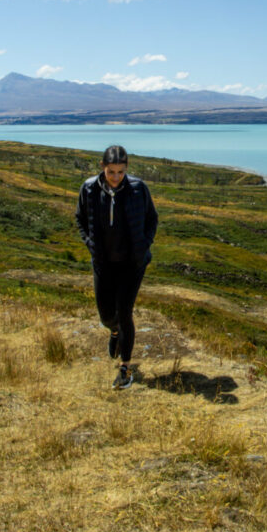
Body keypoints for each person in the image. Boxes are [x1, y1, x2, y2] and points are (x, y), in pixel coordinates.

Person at [75, 145, 158, 389]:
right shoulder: (89, 189)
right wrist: (90, 243)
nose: (115, 177)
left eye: (121, 172)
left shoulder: (137, 188)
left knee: (125, 312)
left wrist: (144, 245)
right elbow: (80, 218)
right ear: (102, 167)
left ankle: (125, 368)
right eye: (111, 171)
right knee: (106, 315)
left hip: (132, 264)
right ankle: (114, 332)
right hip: (103, 262)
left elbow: (152, 219)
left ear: (126, 169)